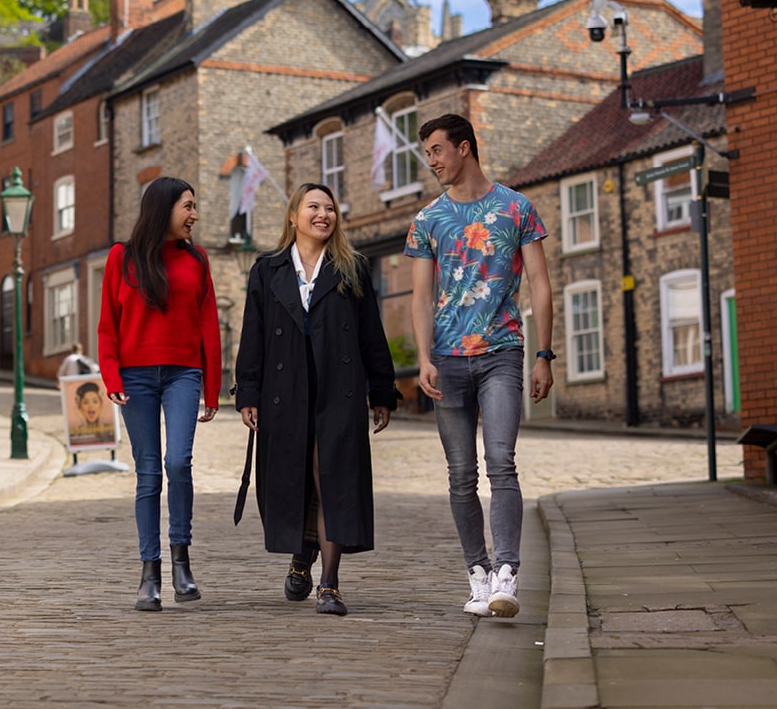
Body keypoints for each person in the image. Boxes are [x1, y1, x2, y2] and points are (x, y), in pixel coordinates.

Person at [406, 113, 553, 619]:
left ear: (464, 148)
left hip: (502, 353)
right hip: (447, 361)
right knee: (460, 474)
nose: (431, 162)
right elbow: (421, 297)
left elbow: (539, 283)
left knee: (501, 461)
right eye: (427, 154)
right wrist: (423, 357)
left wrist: (543, 354)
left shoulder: (517, 208)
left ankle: (507, 574)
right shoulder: (428, 220)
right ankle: (478, 574)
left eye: (437, 151)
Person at [235, 182, 397, 616]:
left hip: (337, 390)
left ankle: (329, 584)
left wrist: (381, 391)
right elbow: (253, 336)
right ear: (294, 216)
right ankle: (301, 556)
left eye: (330, 208)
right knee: (295, 479)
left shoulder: (352, 268)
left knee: (334, 481)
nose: (323, 214)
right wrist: (247, 391)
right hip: (283, 393)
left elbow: (370, 335)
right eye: (314, 207)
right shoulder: (267, 270)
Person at [98, 177, 221, 612]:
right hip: (135, 378)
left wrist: (212, 386)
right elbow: (108, 323)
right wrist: (112, 376)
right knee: (149, 474)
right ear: (164, 208)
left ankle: (181, 563)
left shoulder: (197, 259)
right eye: (188, 206)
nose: (195, 215)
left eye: (194, 206)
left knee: (178, 462)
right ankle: (149, 573)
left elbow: (209, 323)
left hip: (183, 373)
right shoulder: (122, 257)